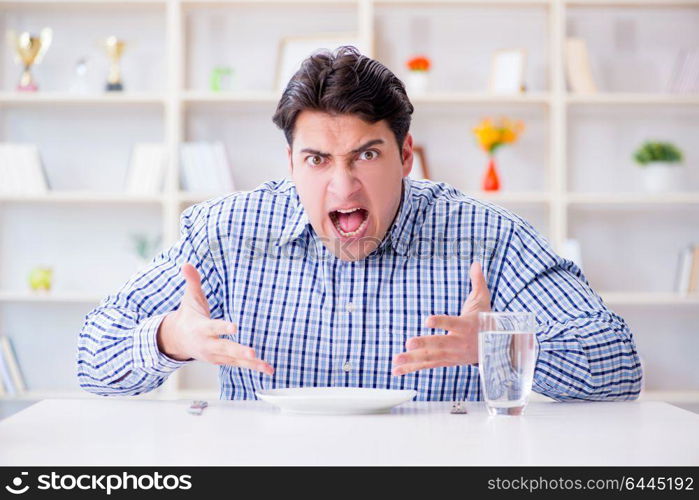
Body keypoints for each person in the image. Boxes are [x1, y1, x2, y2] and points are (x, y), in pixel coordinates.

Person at [77, 46, 642, 401]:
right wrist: (170, 338)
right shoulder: (223, 234)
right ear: (291, 162)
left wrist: (500, 345)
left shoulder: (488, 237)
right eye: (317, 160)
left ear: (405, 156)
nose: (342, 187)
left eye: (366, 156)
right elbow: (91, 356)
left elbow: (620, 364)